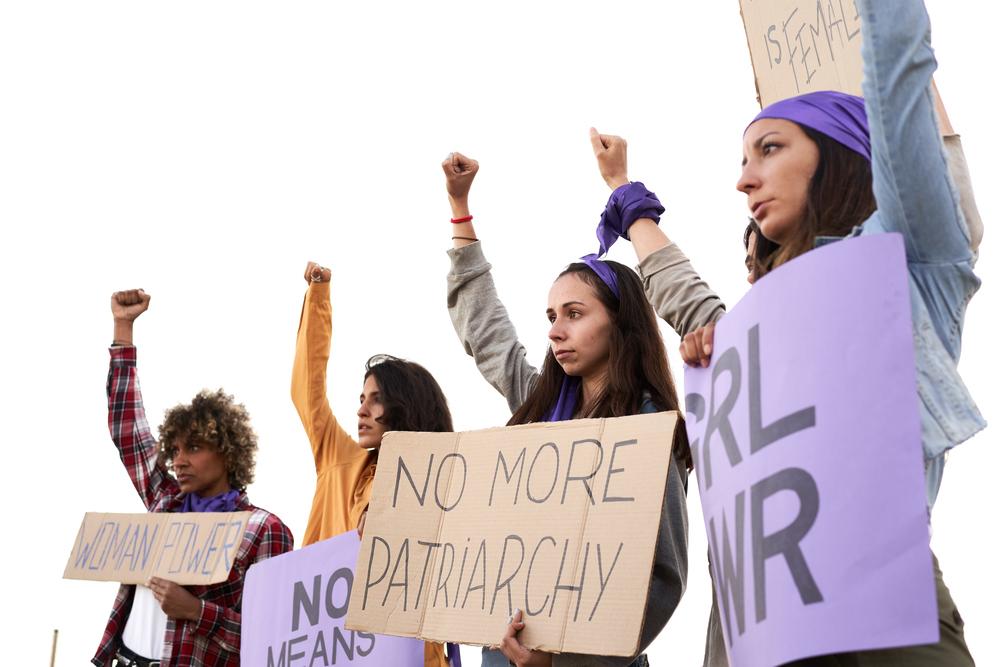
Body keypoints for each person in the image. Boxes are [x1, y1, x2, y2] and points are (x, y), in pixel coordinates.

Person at [589, 0, 984, 662]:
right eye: (746, 158)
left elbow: (896, 80)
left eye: (769, 149)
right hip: (758, 631)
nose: (744, 179)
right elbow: (684, 293)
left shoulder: (909, 259)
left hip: (879, 617)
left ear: (837, 153)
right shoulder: (751, 337)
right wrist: (624, 190)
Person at [443, 153, 690, 667]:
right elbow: (489, 336)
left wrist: (563, 664)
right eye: (552, 316)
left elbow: (661, 579)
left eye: (574, 314)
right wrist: (460, 209)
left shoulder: (646, 428)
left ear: (620, 323)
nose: (555, 330)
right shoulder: (541, 411)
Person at [93, 289, 293, 667]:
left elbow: (272, 639)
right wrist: (123, 328)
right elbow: (128, 428)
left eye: (195, 448)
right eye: (176, 449)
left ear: (228, 452)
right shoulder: (164, 503)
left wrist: (196, 611)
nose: (180, 460)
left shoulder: (263, 529)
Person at [290, 263, 458, 667]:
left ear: (406, 405)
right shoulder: (340, 463)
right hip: (331, 650)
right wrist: (318, 296)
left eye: (375, 398)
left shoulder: (445, 486)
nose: (361, 410)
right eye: (361, 397)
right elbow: (307, 391)